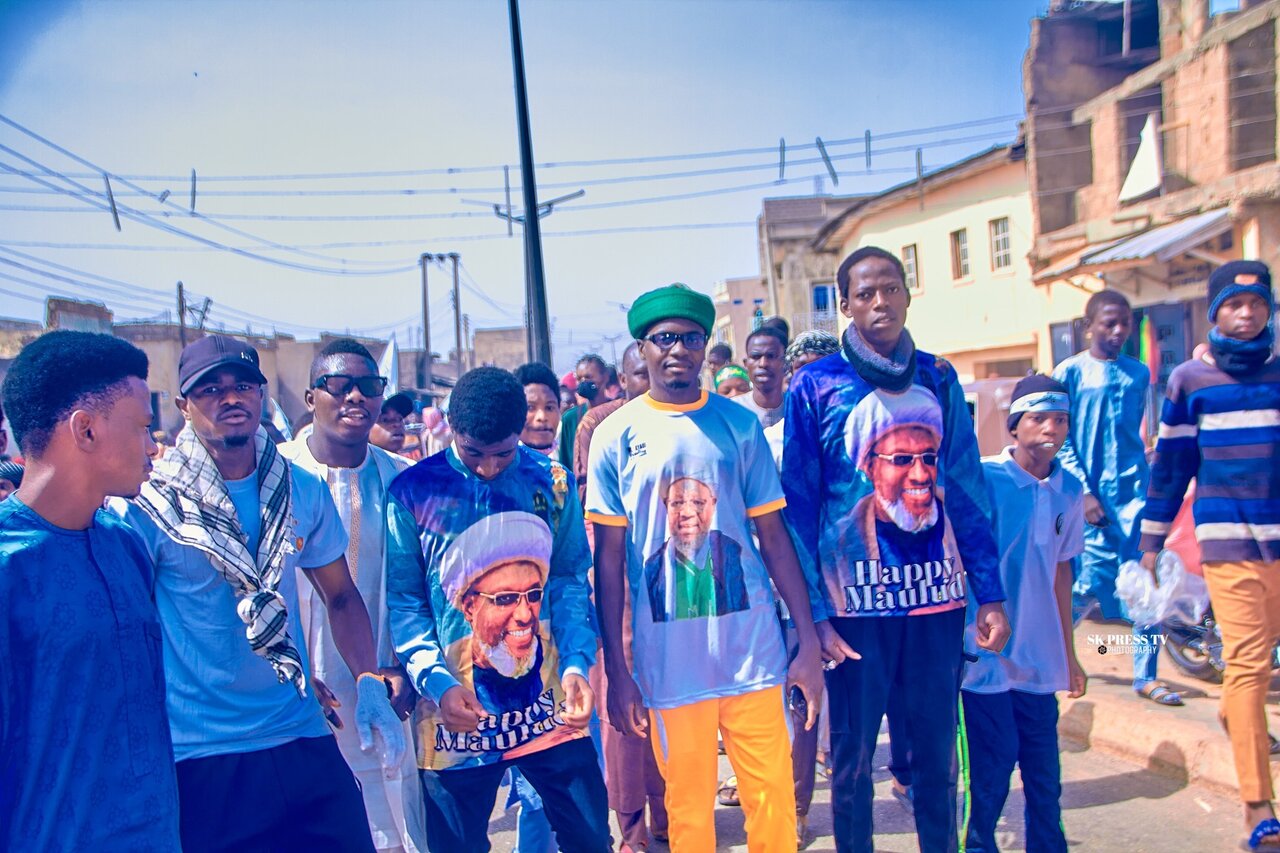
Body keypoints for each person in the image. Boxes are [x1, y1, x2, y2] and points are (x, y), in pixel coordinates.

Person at [117, 334, 405, 852]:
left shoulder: (299, 488)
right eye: (210, 389)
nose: (230, 398)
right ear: (183, 405)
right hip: (204, 751)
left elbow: (340, 596)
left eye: (243, 386)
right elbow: (131, 629)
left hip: (299, 730)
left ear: (261, 395)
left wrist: (366, 679)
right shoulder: (151, 504)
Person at [782, 246, 1009, 853]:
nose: (879, 302)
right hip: (852, 614)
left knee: (937, 760)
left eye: (890, 289)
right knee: (853, 764)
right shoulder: (814, 385)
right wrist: (813, 617)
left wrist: (989, 592)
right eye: (864, 293)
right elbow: (798, 507)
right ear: (845, 304)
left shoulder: (939, 377)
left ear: (907, 295)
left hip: (936, 604)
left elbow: (966, 487)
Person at [588, 283, 824, 851]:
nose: (679, 349)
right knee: (689, 812)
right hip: (671, 665)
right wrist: (618, 669)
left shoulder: (738, 425)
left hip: (753, 655)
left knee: (772, 803)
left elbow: (774, 536)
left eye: (692, 338)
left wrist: (808, 638)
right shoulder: (615, 435)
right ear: (642, 348)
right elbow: (609, 560)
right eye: (665, 338)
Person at [385, 366, 609, 853]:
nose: (488, 468)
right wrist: (438, 684)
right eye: (474, 454)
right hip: (452, 717)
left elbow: (569, 579)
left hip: (550, 707)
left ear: (519, 430)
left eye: (503, 454)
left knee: (590, 838)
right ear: (451, 428)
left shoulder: (552, 482)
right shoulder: (413, 492)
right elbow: (406, 603)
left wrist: (576, 664)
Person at [0, 331, 179, 851]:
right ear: (86, 430)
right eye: (142, 427)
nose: (154, 446)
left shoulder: (125, 545)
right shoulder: (9, 566)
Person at [1139, 260, 1280, 851]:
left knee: (1257, 668)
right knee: (1247, 665)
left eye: (1257, 304)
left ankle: (1234, 715)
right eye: (1234, 305)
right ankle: (1258, 807)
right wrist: (1151, 541)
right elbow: (1172, 465)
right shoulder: (1190, 380)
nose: (1246, 314)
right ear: (1215, 311)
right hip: (1228, 543)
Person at [280, 339, 427, 853]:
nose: (355, 397)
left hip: (385, 689)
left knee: (391, 827)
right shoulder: (276, 476)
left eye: (368, 386)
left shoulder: (404, 480)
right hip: (301, 693)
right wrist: (293, 675)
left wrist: (407, 671)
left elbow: (424, 588)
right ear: (310, 397)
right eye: (339, 386)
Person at [962, 374, 1087, 853]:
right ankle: (979, 845)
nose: (1051, 428)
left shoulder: (1069, 490)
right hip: (986, 656)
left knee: (1043, 772)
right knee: (992, 768)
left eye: (1060, 419)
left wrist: (1069, 656)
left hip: (1038, 656)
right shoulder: (986, 478)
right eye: (1039, 418)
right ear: (1015, 425)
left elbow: (1061, 573)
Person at [1052, 290, 1177, 706]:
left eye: (1125, 322)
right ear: (1089, 326)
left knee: (1146, 585)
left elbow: (1142, 432)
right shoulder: (1069, 373)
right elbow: (1061, 439)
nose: (1119, 330)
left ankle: (1147, 676)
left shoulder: (1138, 373)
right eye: (1110, 323)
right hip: (1087, 502)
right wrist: (1084, 493)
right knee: (1086, 588)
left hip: (1135, 497)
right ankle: (1054, 659)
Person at [574, 341, 650, 504]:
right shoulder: (595, 422)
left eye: (656, 373)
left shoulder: (679, 417)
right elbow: (587, 486)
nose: (652, 382)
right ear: (623, 380)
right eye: (643, 375)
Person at [557, 354, 612, 470]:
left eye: (588, 377)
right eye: (579, 378)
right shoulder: (570, 419)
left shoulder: (617, 411)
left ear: (605, 377)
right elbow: (565, 463)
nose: (583, 382)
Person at [738, 324, 789, 427]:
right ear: (746, 364)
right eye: (756, 357)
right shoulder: (733, 411)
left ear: (786, 363)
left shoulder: (799, 409)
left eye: (771, 356)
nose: (763, 364)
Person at [514, 362, 562, 457]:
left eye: (549, 408)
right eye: (530, 408)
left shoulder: (562, 463)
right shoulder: (499, 464)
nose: (542, 417)